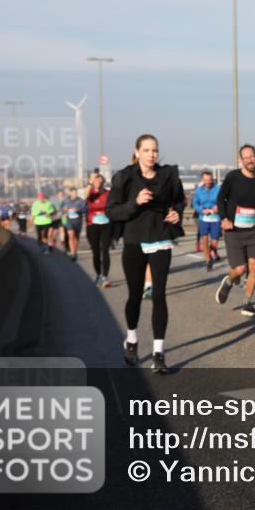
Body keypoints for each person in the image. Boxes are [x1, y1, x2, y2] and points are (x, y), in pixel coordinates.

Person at [105, 134, 185, 374]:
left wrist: (176, 213)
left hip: (160, 238)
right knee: (135, 296)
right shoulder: (125, 178)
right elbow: (112, 212)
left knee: (159, 295)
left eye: (155, 150)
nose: (151, 154)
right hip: (134, 241)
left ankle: (159, 353)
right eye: (147, 150)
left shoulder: (168, 175)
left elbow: (180, 200)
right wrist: (135, 202)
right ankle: (131, 339)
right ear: (137, 152)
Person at [214, 145, 255, 317]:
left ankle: (247, 303)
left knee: (254, 267)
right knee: (240, 269)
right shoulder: (232, 177)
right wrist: (224, 218)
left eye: (252, 156)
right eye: (246, 157)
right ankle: (228, 281)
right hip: (234, 230)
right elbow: (221, 198)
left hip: (253, 229)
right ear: (240, 160)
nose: (249, 159)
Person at [86, 173, 113, 287]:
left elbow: (113, 206)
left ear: (103, 182)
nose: (99, 183)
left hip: (106, 224)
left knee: (105, 250)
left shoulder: (108, 193)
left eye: (100, 181)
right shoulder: (90, 193)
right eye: (96, 181)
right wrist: (91, 186)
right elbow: (84, 200)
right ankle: (98, 275)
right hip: (93, 225)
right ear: (93, 182)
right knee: (96, 252)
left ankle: (105, 277)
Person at [192, 171, 222, 272]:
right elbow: (195, 204)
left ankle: (212, 250)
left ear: (212, 179)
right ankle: (208, 261)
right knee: (204, 240)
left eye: (209, 180)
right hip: (203, 218)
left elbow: (224, 200)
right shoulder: (198, 191)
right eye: (205, 180)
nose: (208, 182)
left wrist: (219, 207)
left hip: (216, 218)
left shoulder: (218, 189)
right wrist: (201, 210)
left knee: (214, 243)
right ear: (202, 180)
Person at [61, 185, 87, 261]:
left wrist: (78, 210)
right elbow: (61, 209)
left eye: (76, 192)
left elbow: (85, 209)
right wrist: (64, 212)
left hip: (78, 221)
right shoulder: (65, 200)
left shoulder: (81, 201)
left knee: (76, 237)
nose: (75, 194)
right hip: (69, 221)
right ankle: (73, 253)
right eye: (73, 192)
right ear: (70, 193)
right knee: (71, 236)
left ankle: (75, 251)